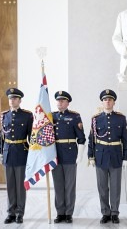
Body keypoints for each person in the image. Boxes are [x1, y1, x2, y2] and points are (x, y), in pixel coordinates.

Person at [87, 89, 127, 224]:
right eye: (105, 99)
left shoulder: (121, 118)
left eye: (110, 99)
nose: (108, 101)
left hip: (116, 156)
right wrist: (91, 156)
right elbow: (91, 139)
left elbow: (125, 139)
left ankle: (115, 212)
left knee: (116, 187)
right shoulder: (95, 119)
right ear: (102, 101)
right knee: (102, 187)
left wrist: (126, 157)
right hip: (100, 156)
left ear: (114, 102)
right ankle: (105, 212)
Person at [0, 88, 33, 224]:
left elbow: (31, 137)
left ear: (20, 100)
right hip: (8, 153)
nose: (12, 100)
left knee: (20, 186)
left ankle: (20, 213)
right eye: (11, 98)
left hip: (22, 152)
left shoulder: (27, 116)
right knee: (10, 185)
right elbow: (1, 136)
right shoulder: (4, 115)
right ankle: (11, 212)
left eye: (15, 98)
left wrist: (34, 154)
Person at [52, 91, 86, 224]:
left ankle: (68, 213)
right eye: (58, 101)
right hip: (55, 155)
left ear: (67, 103)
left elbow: (81, 138)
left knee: (70, 186)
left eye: (62, 101)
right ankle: (60, 212)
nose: (60, 103)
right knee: (58, 185)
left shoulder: (74, 117)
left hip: (70, 154)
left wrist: (80, 155)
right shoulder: (51, 116)